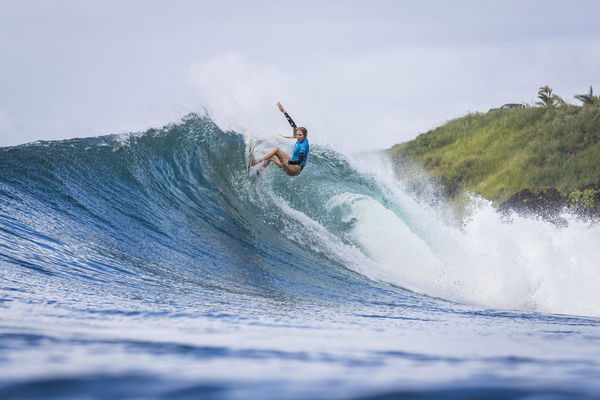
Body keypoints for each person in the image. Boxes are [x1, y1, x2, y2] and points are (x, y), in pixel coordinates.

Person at [251, 103, 310, 176]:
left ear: (305, 136)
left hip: (295, 168)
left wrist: (289, 162)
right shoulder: (300, 138)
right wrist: (284, 112)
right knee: (271, 157)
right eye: (297, 135)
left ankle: (256, 161)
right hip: (290, 167)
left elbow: (299, 161)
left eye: (300, 135)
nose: (297, 136)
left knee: (277, 150)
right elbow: (293, 125)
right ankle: (257, 174)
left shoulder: (304, 145)